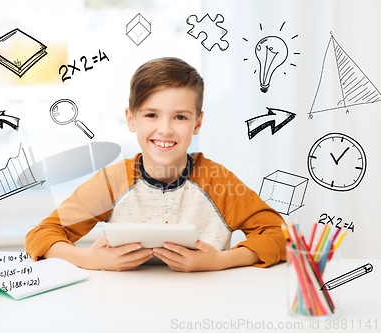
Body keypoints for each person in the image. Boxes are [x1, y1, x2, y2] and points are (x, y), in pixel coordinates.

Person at [25, 57, 286, 272]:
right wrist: (89, 260)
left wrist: (219, 261)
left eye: (180, 117)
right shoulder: (111, 182)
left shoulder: (217, 181)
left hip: (207, 304)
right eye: (151, 115)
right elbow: (41, 235)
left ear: (197, 123)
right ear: (131, 119)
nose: (165, 129)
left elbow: (280, 235)